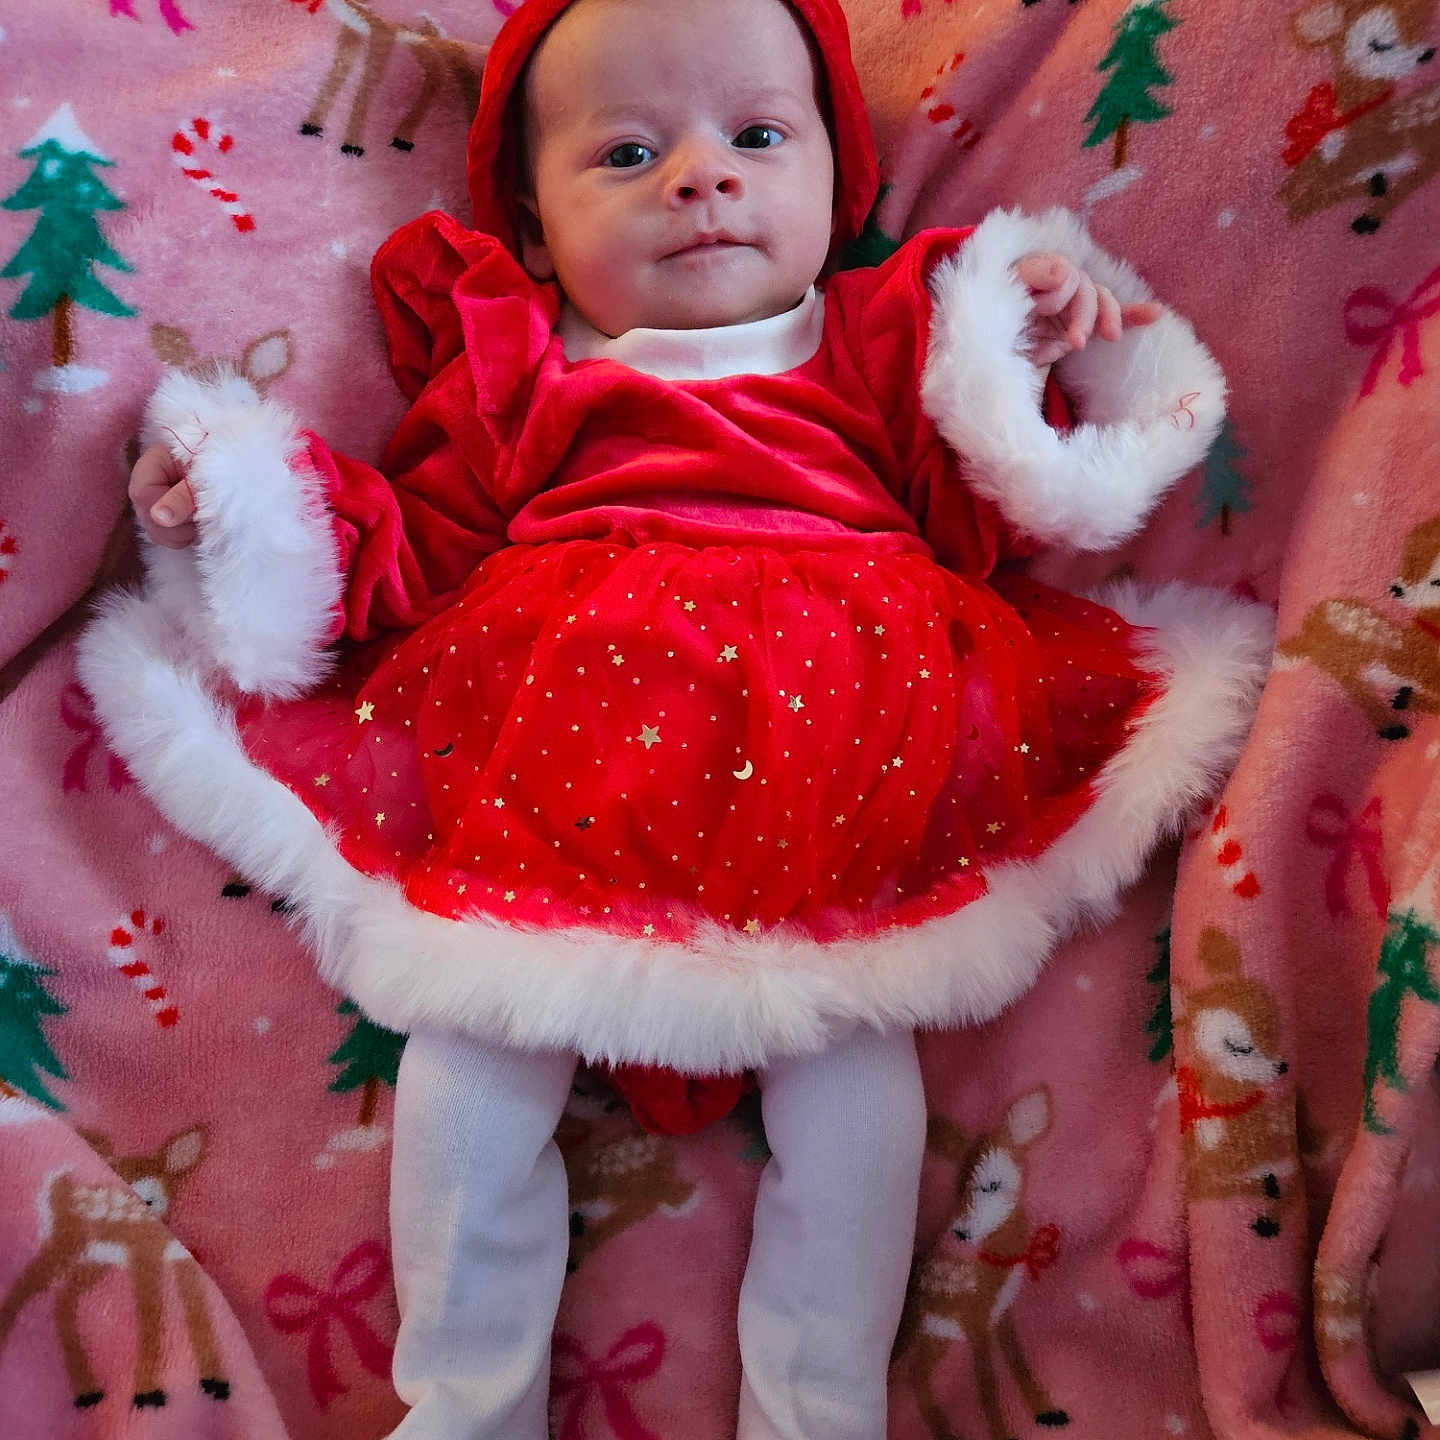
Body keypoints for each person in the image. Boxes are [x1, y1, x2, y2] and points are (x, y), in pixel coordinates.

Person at [79, 0, 1271, 1433]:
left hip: (844, 764)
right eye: (629, 152)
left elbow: (990, 515)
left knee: (851, 1058)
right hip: (557, 764)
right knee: (476, 1034)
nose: (701, 177)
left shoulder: (885, 335)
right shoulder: (522, 368)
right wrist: (246, 496)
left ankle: (818, 1407)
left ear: (841, 180)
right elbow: (411, 550)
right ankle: (467, 1402)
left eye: (758, 137)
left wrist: (1037, 334)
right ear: (530, 225)